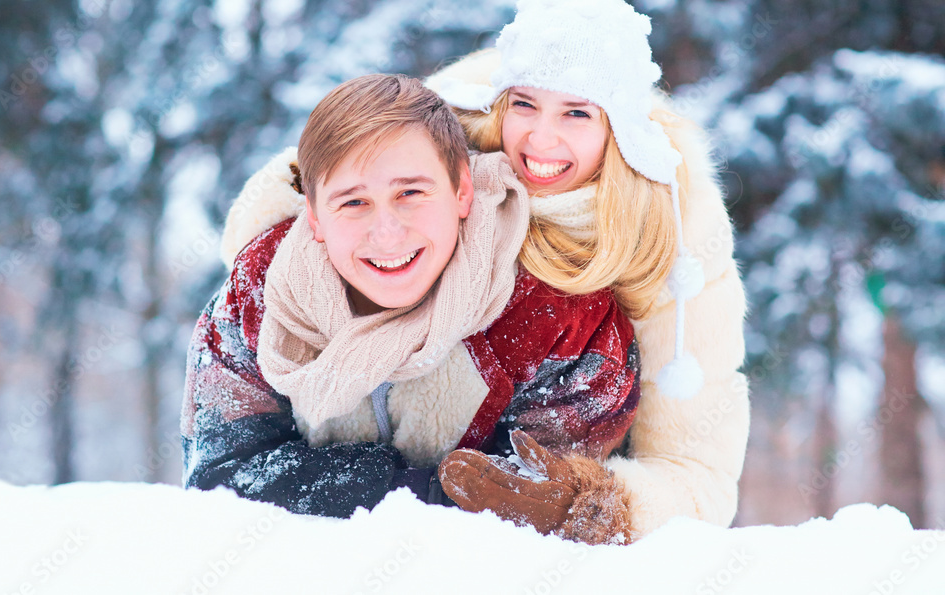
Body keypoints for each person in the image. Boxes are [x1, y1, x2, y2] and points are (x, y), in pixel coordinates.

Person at [182, 73, 642, 538]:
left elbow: (555, 511)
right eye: (354, 202)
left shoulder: (557, 313)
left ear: (463, 190)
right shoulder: (260, 294)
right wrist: (426, 493)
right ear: (315, 218)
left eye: (410, 193)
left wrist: (345, 492)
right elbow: (221, 484)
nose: (387, 233)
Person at [424, 0, 750, 541]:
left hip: (552, 507)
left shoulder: (675, 224)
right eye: (525, 105)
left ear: (619, 128)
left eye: (577, 113)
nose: (540, 142)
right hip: (396, 469)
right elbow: (302, 204)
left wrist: (592, 505)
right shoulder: (439, 144)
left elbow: (698, 472)